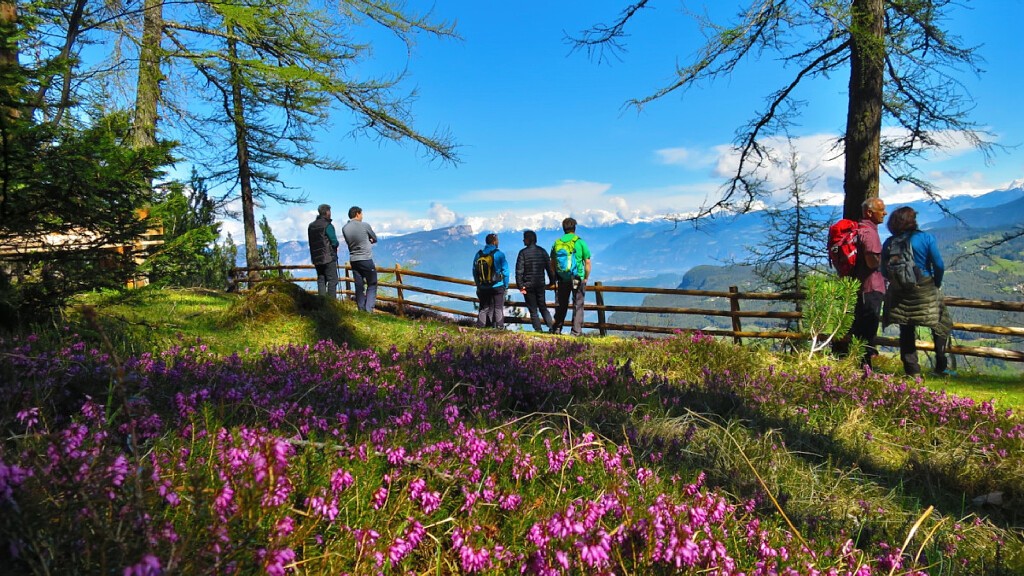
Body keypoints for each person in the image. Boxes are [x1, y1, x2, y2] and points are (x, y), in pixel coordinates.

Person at [881, 206, 954, 377]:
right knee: (940, 324)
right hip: (925, 288)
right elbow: (938, 265)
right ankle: (941, 366)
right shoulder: (925, 238)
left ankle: (912, 371)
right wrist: (936, 282)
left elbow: (884, 270)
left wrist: (898, 282)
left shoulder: (890, 242)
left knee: (906, 330)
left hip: (900, 292)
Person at [833, 197, 887, 368]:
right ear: (869, 213)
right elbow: (872, 262)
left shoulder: (859, 230)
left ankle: (851, 363)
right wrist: (887, 262)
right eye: (881, 210)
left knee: (858, 327)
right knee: (867, 330)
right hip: (871, 288)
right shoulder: (869, 233)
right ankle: (865, 367)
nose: (885, 213)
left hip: (860, 287)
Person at [549, 217, 592, 336]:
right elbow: (587, 262)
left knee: (561, 304)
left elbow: (552, 262)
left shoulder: (557, 242)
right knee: (578, 304)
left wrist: (556, 274)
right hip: (577, 278)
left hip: (562, 278)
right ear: (574, 228)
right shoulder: (580, 242)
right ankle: (576, 331)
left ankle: (557, 329)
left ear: (563, 228)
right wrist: (585, 277)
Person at [515, 230, 554, 332]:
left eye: (524, 238)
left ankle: (538, 330)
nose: (523, 240)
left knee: (533, 310)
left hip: (528, 286)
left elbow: (519, 271)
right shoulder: (542, 251)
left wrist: (520, 286)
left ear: (528, 240)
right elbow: (549, 269)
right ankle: (551, 327)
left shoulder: (522, 253)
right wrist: (552, 282)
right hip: (540, 284)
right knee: (543, 307)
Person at [341, 206, 378, 313]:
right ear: (357, 214)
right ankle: (369, 309)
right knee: (372, 283)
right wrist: (369, 240)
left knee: (359, 285)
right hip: (365, 258)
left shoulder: (345, 228)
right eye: (361, 214)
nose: (362, 216)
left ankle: (361, 309)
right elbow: (374, 238)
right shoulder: (364, 225)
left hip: (353, 259)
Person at [473, 233, 510, 329]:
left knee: (483, 308)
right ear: (494, 242)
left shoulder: (479, 254)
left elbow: (474, 271)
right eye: (497, 240)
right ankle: (500, 328)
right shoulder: (499, 254)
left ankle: (480, 327)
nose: (498, 242)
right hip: (497, 286)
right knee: (498, 308)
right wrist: (506, 286)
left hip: (483, 286)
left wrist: (479, 285)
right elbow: (506, 272)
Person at [307, 204, 339, 298]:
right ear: (327, 212)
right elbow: (334, 241)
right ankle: (331, 303)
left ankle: (322, 302)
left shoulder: (311, 226)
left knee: (321, 279)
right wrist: (336, 246)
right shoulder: (327, 225)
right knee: (332, 280)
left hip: (316, 257)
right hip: (328, 257)